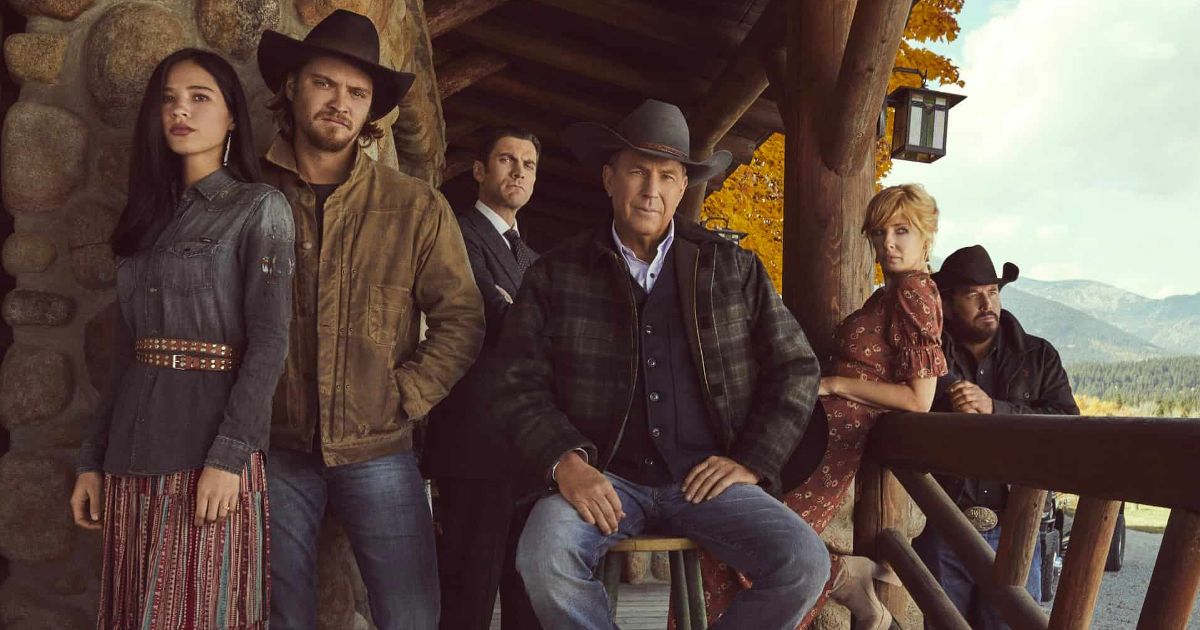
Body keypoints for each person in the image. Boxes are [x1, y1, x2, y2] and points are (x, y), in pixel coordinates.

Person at [493, 99, 830, 630]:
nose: (651, 189)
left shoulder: (733, 268)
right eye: (637, 171)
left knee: (804, 562)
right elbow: (515, 383)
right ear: (609, 178)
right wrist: (566, 463)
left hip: (706, 482)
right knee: (543, 557)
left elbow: (796, 368)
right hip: (602, 479)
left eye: (667, 176)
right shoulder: (555, 273)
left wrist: (749, 460)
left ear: (682, 188)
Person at [254, 10, 485, 629]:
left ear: (372, 112)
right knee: (280, 615)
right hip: (273, 446)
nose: (340, 102)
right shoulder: (249, 193)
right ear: (293, 87)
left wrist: (405, 395)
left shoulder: (414, 205)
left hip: (380, 445)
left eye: (357, 93)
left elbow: (462, 317)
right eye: (325, 84)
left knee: (410, 613)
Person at [70, 47, 294, 629]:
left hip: (206, 458)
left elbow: (269, 344)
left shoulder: (259, 208)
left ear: (232, 117)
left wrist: (229, 457)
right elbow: (124, 356)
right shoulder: (146, 217)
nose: (181, 111)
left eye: (200, 98)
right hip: (129, 456)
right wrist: (92, 458)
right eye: (169, 100)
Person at [699, 183, 949, 630]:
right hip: (812, 436)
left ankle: (842, 577)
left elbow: (919, 399)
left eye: (902, 231)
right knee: (744, 536)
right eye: (878, 232)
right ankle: (845, 576)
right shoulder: (889, 294)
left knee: (755, 539)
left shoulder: (915, 292)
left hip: (831, 447)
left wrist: (833, 382)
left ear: (927, 236)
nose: (887, 243)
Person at [912, 244, 1079, 628]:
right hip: (941, 524)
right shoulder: (927, 358)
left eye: (993, 292)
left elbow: (1068, 425)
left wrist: (996, 410)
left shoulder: (1039, 356)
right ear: (948, 305)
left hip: (1016, 527)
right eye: (973, 295)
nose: (987, 303)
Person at [424, 127, 544, 630]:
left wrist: (525, 316)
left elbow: (546, 337)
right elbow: (493, 317)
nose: (518, 171)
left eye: (529, 164)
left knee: (528, 597)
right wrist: (529, 319)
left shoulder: (537, 261)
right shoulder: (454, 234)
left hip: (529, 452)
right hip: (472, 448)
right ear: (479, 170)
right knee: (467, 598)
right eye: (506, 159)